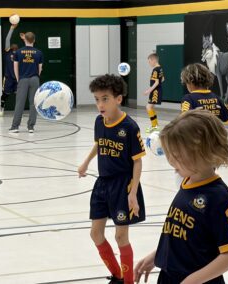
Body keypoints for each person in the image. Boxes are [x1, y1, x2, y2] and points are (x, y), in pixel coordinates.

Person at [134, 110, 228, 284]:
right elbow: (183, 235)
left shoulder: (218, 197)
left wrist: (192, 281)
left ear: (203, 151)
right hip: (169, 275)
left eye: (177, 156)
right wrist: (157, 255)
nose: (171, 162)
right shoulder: (187, 182)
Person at [78, 74, 146, 284]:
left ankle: (128, 281)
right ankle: (117, 275)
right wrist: (86, 162)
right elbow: (99, 143)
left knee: (120, 237)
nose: (100, 104)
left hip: (122, 186)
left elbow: (137, 162)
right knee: (95, 234)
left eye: (105, 98)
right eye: (97, 99)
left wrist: (133, 193)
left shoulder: (130, 127)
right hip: (102, 183)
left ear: (118, 99)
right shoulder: (99, 121)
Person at [9, 32, 43, 133]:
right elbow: (40, 68)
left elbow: (15, 67)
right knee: (33, 103)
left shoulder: (18, 52)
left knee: (19, 103)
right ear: (34, 40)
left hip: (23, 79)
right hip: (35, 79)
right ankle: (31, 127)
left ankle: (15, 127)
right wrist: (36, 77)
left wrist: (18, 79)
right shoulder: (39, 53)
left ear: (25, 39)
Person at [0, 24, 19, 116]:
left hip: (18, 78)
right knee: (6, 94)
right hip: (8, 78)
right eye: (12, 45)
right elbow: (7, 39)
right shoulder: (8, 52)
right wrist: (11, 28)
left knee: (19, 94)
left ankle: (18, 110)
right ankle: (2, 106)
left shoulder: (20, 53)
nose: (14, 45)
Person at [144, 53, 164, 133]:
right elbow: (163, 79)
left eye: (149, 62)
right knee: (150, 107)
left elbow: (156, 82)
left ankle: (154, 126)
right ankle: (155, 125)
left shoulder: (155, 69)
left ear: (154, 60)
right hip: (157, 90)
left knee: (148, 107)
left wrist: (149, 90)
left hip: (155, 91)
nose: (149, 63)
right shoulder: (160, 68)